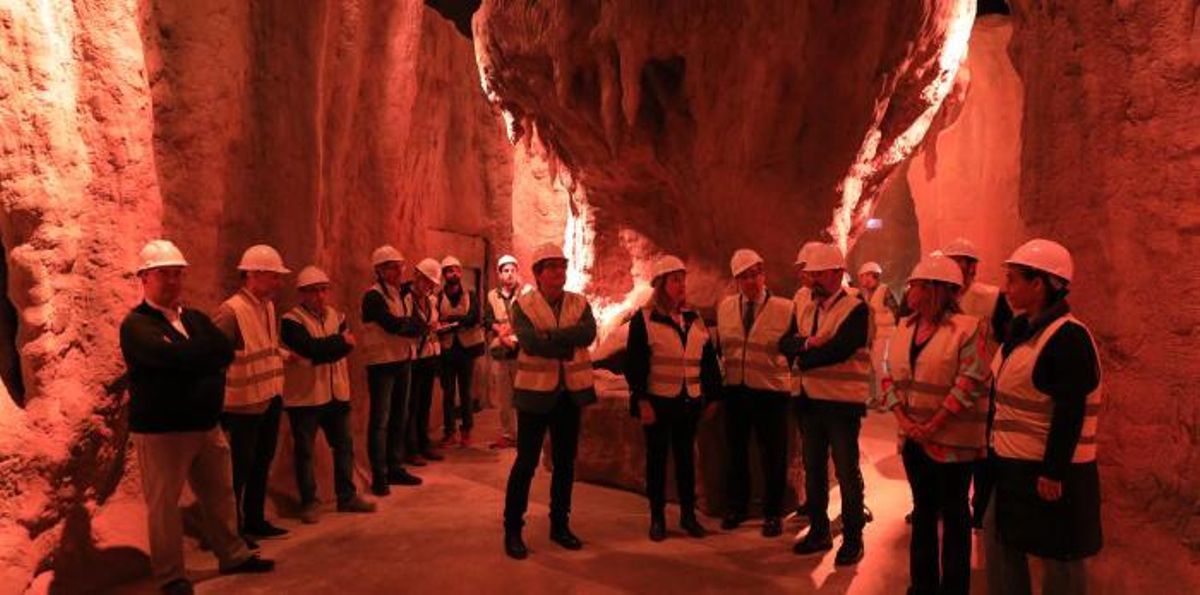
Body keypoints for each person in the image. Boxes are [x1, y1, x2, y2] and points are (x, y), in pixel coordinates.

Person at [121, 240, 273, 595]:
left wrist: (193, 357)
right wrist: (198, 358)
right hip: (163, 432)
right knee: (164, 507)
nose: (173, 281)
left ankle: (233, 555)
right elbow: (172, 357)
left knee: (220, 495)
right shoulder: (136, 325)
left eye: (178, 274)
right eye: (164, 274)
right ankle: (172, 576)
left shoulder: (196, 318)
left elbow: (223, 350)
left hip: (206, 425)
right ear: (144, 277)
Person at [987, 239, 1102, 595]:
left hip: (1049, 473)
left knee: (1061, 559)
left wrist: (1053, 471)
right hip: (1014, 465)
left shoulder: (1067, 337)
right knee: (1004, 544)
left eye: (1013, 279)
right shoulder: (1025, 332)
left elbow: (1071, 410)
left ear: (1038, 284)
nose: (1006, 288)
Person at [882, 256, 989, 595]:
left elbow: (970, 380)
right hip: (913, 439)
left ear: (935, 290)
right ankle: (923, 585)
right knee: (924, 512)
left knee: (956, 516)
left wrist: (934, 424)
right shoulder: (904, 328)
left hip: (954, 443)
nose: (910, 290)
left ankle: (954, 588)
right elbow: (885, 374)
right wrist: (903, 420)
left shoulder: (968, 328)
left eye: (916, 285)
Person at [502, 243, 597, 560]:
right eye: (552, 266)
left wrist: (551, 339)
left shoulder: (579, 302)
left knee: (565, 464)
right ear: (539, 274)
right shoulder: (523, 305)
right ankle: (513, 530)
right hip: (534, 395)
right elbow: (529, 342)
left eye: (562, 265)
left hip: (568, 395)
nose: (559, 271)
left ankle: (560, 525)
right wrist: (564, 341)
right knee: (526, 464)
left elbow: (588, 333)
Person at [624, 255, 722, 541]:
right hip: (658, 402)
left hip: (688, 403)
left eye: (683, 279)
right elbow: (635, 364)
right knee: (656, 462)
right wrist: (642, 400)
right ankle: (657, 518)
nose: (681, 285)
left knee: (685, 461)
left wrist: (713, 395)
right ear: (660, 284)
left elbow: (707, 359)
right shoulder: (644, 319)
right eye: (675, 279)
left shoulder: (694, 318)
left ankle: (688, 517)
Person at [788, 243, 871, 566]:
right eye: (813, 274)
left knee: (847, 474)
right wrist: (805, 346)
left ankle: (853, 538)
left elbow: (839, 349)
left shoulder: (855, 309)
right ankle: (819, 531)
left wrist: (802, 356)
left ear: (838, 274)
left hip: (840, 406)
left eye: (821, 274)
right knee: (814, 471)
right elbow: (785, 341)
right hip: (809, 402)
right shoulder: (807, 305)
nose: (814, 280)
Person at [281, 266, 376, 523]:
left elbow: (336, 350)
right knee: (305, 451)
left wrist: (327, 350)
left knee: (344, 446)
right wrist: (337, 344)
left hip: (337, 394)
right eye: (313, 292)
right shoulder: (291, 321)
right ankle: (309, 502)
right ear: (302, 294)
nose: (320, 296)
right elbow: (311, 349)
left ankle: (347, 496)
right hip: (306, 398)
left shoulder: (337, 316)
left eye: (323, 290)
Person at [714, 249, 795, 538]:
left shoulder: (786, 308)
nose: (751, 281)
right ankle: (737, 507)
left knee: (773, 455)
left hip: (771, 393)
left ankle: (773, 513)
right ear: (736, 281)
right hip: (736, 390)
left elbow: (794, 350)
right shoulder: (725, 307)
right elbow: (721, 348)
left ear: (764, 274)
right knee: (736, 453)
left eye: (755, 274)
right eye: (744, 277)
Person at [214, 244, 291, 541]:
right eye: (274, 277)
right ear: (254, 275)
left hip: (269, 397)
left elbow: (264, 347)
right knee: (238, 469)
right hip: (242, 405)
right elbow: (215, 359)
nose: (278, 283)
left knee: (261, 462)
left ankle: (255, 520)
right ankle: (232, 529)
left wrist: (283, 356)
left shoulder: (267, 307)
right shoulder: (231, 311)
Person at [942, 237, 1014, 527]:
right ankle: (942, 502)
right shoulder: (939, 298)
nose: (954, 269)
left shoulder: (992, 298)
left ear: (972, 267)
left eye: (959, 262)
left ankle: (980, 508)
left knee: (984, 452)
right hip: (947, 385)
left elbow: (1008, 340)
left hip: (984, 387)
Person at [360, 245, 424, 495]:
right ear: (379, 270)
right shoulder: (373, 297)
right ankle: (379, 474)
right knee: (381, 420)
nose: (399, 270)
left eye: (400, 266)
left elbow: (416, 323)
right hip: (382, 364)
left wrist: (410, 326)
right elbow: (393, 325)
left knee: (400, 416)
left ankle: (395, 466)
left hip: (402, 360)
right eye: (392, 266)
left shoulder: (401, 295)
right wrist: (409, 326)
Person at [437, 255, 486, 447]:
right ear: (444, 275)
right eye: (449, 270)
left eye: (457, 270)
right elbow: (437, 321)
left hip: (466, 349)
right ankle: (449, 432)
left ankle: (467, 431)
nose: (454, 273)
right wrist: (458, 321)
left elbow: (473, 318)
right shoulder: (439, 296)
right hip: (447, 350)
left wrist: (449, 322)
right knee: (448, 392)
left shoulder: (470, 294)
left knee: (465, 391)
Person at [483, 254, 527, 449]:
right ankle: (508, 434)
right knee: (504, 397)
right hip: (501, 351)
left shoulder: (526, 293)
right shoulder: (492, 295)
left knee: (523, 394)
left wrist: (513, 336)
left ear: (517, 272)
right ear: (499, 274)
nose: (509, 274)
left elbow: (530, 319)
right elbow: (488, 319)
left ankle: (525, 434)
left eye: (512, 270)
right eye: (505, 271)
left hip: (521, 351)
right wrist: (500, 332)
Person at [406, 258, 446, 465]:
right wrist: (425, 328)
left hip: (429, 354)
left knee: (425, 403)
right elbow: (408, 325)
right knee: (412, 404)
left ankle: (424, 443)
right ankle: (411, 448)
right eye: (426, 281)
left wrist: (435, 327)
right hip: (414, 356)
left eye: (432, 283)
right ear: (417, 277)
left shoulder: (430, 300)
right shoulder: (406, 299)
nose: (429, 286)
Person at [857, 261, 900, 405]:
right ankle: (877, 396)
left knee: (881, 366)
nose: (863, 281)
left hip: (887, 334)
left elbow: (896, 311)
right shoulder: (868, 294)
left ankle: (886, 398)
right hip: (876, 335)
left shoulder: (884, 290)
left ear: (872, 276)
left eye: (864, 277)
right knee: (875, 366)